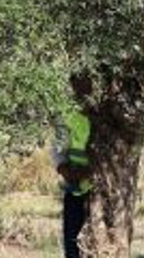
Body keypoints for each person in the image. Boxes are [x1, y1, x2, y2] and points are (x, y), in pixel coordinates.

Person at [53, 85, 94, 258]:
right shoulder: (69, 118)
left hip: (98, 191)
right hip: (74, 190)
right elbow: (57, 151)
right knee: (72, 246)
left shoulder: (106, 120)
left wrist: (91, 172)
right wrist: (65, 170)